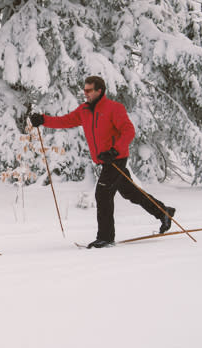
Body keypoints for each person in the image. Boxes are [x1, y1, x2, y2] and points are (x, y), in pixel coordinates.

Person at [29, 76, 175, 248]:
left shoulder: (114, 108)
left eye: (89, 90)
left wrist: (115, 150)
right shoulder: (84, 110)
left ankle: (105, 237)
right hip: (104, 161)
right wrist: (43, 120)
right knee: (131, 193)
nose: (86, 93)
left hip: (116, 158)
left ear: (100, 91)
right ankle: (164, 212)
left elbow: (128, 131)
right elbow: (65, 121)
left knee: (103, 194)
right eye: (84, 90)